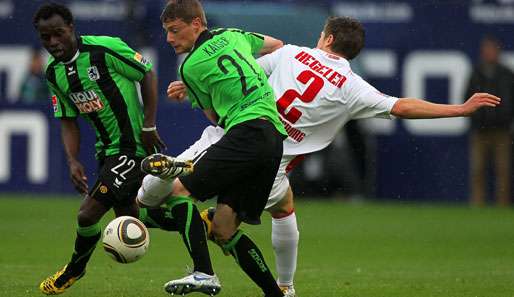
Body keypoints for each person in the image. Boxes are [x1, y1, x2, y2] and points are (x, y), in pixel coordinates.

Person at [138, 16, 501, 297]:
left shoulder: (292, 53)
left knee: (163, 196)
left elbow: (243, 74)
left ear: (326, 38)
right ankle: (285, 286)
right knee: (280, 209)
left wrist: (192, 82)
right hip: (273, 165)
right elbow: (402, 106)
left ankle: (153, 223)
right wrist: (459, 108)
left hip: (234, 138)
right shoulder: (352, 87)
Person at [138, 1, 288, 296]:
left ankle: (204, 273)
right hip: (273, 138)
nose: (169, 39)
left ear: (196, 24)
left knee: (178, 191)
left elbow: (216, 119)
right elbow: (277, 45)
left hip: (245, 132)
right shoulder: (233, 35)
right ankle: (276, 294)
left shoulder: (191, 67)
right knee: (223, 229)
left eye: (174, 30)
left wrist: (195, 87)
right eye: (166, 32)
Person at [33, 3, 167, 295]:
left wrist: (148, 126)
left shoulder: (104, 50)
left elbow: (148, 73)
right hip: (105, 152)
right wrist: (71, 160)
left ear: (71, 28)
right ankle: (197, 222)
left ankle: (75, 269)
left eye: (58, 34)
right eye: (45, 37)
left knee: (87, 214)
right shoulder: (54, 73)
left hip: (132, 148)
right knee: (131, 215)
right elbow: (67, 119)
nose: (53, 42)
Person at [466, 36, 514, 207]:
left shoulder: (506, 74)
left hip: (502, 131)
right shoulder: (476, 73)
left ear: (498, 52)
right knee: (478, 170)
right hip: (480, 131)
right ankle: (477, 206)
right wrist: (478, 120)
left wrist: (505, 118)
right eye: (486, 50)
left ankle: (502, 206)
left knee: (503, 170)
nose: (489, 53)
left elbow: (510, 100)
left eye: (492, 50)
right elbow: (466, 99)